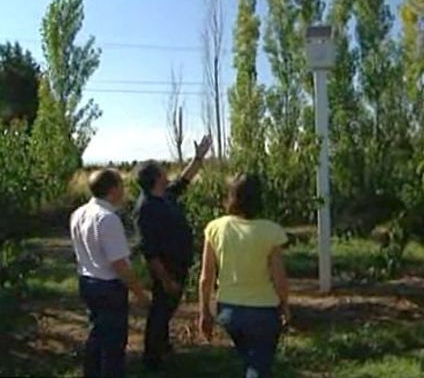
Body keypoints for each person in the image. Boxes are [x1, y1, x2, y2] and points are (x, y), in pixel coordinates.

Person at [199, 173, 291, 378]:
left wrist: (204, 311)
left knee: (252, 360)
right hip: (264, 311)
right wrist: (284, 305)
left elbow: (206, 277)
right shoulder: (271, 231)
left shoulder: (215, 228)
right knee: (258, 366)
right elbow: (279, 278)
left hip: (229, 311)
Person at [133, 135, 212, 370]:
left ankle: (162, 345)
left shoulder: (163, 196)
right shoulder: (146, 208)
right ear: (156, 178)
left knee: (166, 310)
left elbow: (184, 180)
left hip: (177, 264)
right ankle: (152, 359)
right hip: (166, 269)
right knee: (160, 311)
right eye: (162, 171)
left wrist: (198, 158)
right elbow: (150, 250)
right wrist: (165, 278)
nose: (166, 173)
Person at [70, 169, 150, 378]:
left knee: (96, 335)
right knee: (113, 343)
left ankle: (92, 372)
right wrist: (139, 293)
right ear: (113, 190)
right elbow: (119, 265)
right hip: (108, 286)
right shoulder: (108, 219)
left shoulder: (78, 213)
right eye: (121, 186)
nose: (124, 191)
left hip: (87, 280)